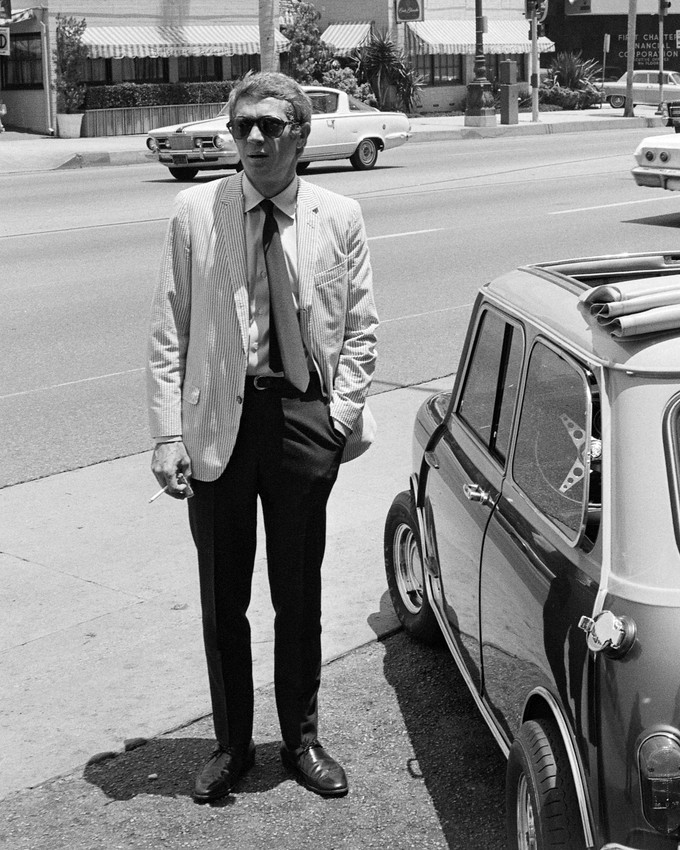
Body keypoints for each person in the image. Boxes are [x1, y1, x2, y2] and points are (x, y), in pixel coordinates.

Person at [146, 71, 378, 803]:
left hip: (304, 423)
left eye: (270, 126)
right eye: (241, 125)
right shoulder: (195, 212)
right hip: (219, 424)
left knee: (299, 594)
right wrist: (165, 435)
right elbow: (168, 330)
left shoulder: (339, 214)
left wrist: (338, 417)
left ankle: (301, 741)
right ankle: (232, 744)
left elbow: (361, 331)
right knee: (224, 599)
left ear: (300, 135)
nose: (252, 138)